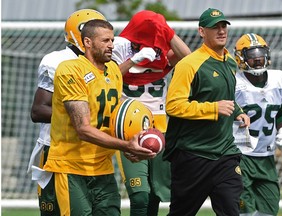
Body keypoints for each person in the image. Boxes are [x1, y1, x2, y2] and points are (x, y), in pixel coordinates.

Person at [43, 19, 155, 216]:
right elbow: (83, 129)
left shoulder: (113, 70)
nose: (111, 45)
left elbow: (115, 118)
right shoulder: (70, 70)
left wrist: (130, 140)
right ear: (87, 42)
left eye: (112, 40)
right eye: (105, 40)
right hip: (71, 167)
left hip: (102, 167)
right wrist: (125, 146)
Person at [162, 8, 250, 216]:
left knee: (231, 209)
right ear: (202, 32)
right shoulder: (188, 65)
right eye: (214, 27)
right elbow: (173, 105)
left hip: (225, 154)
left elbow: (224, 95)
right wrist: (213, 109)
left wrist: (238, 111)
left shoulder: (229, 62)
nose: (221, 31)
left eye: (223, 26)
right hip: (193, 154)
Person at [27, 9, 107, 216]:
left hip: (93, 153)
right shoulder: (57, 60)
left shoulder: (106, 64)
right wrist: (79, 117)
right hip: (57, 151)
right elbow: (38, 111)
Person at [111, 10, 191, 216]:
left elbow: (190, 60)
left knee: (155, 192)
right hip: (129, 126)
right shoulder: (120, 46)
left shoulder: (163, 49)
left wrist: (166, 31)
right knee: (140, 195)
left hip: (159, 126)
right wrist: (134, 60)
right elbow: (107, 78)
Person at [234, 33, 282, 216]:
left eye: (260, 53)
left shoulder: (279, 80)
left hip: (266, 155)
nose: (257, 58)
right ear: (241, 58)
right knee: (244, 209)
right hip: (241, 155)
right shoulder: (234, 82)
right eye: (251, 54)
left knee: (270, 209)